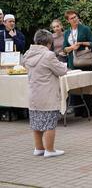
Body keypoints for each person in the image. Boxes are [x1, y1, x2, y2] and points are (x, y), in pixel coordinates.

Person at [23, 29, 68, 158]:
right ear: (48, 42)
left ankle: (39, 148)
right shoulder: (48, 55)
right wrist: (64, 66)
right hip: (47, 95)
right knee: (50, 124)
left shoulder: (28, 54)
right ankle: (50, 150)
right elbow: (61, 70)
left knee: (36, 123)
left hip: (34, 94)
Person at [63, 10, 92, 117]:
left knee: (85, 85)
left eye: (75, 17)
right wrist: (71, 48)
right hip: (72, 61)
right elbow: (64, 48)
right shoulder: (67, 33)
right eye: (72, 18)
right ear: (68, 20)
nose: (75, 19)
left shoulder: (85, 29)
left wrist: (81, 43)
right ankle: (78, 109)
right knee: (75, 85)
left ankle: (88, 109)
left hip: (84, 61)